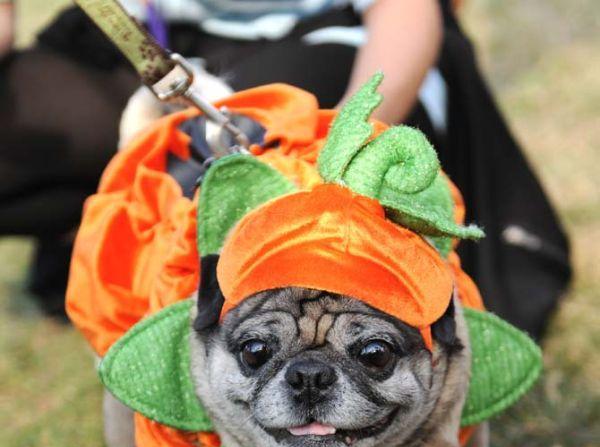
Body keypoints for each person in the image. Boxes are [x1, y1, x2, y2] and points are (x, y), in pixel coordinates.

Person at [0, 0, 569, 337]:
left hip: (327, 35)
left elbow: (406, 11)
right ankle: (120, 246)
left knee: (244, 149)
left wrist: (343, 145)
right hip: (140, 39)